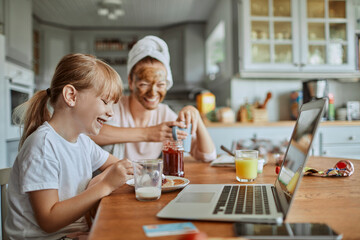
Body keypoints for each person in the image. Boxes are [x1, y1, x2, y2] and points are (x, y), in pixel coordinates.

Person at [5, 53, 134, 239]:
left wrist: (98, 181)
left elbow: (121, 167)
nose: (111, 113)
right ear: (71, 96)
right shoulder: (42, 146)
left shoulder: (83, 141)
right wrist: (104, 185)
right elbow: (49, 221)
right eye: (105, 102)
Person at [91, 35, 216, 162]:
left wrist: (196, 115)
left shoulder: (165, 114)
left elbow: (207, 156)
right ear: (130, 81)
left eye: (161, 85)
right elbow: (88, 134)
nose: (152, 93)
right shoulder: (114, 106)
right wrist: (148, 133)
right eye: (144, 84)